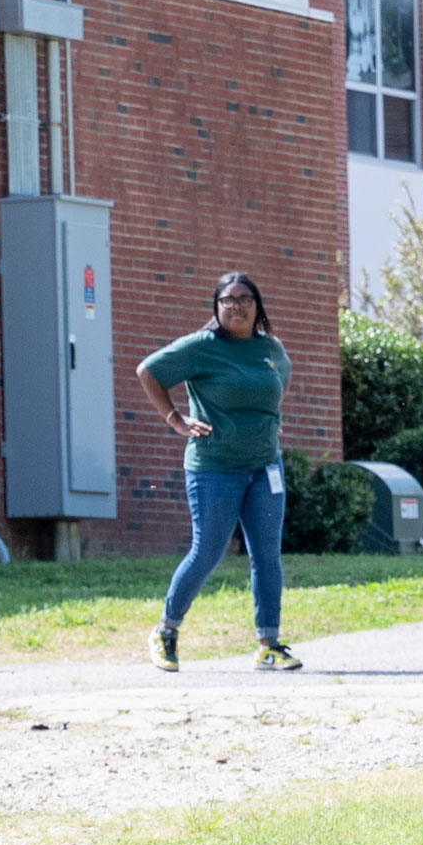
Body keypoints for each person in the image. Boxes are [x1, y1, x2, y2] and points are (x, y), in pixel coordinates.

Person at [136, 271, 301, 673]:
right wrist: (176, 418)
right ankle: (166, 631)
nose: (236, 306)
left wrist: (270, 417)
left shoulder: (271, 349)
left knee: (267, 556)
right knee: (207, 551)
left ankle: (269, 644)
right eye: (227, 300)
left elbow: (280, 381)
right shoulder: (201, 347)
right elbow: (148, 371)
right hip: (214, 467)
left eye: (245, 299)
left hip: (264, 467)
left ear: (258, 306)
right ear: (217, 307)